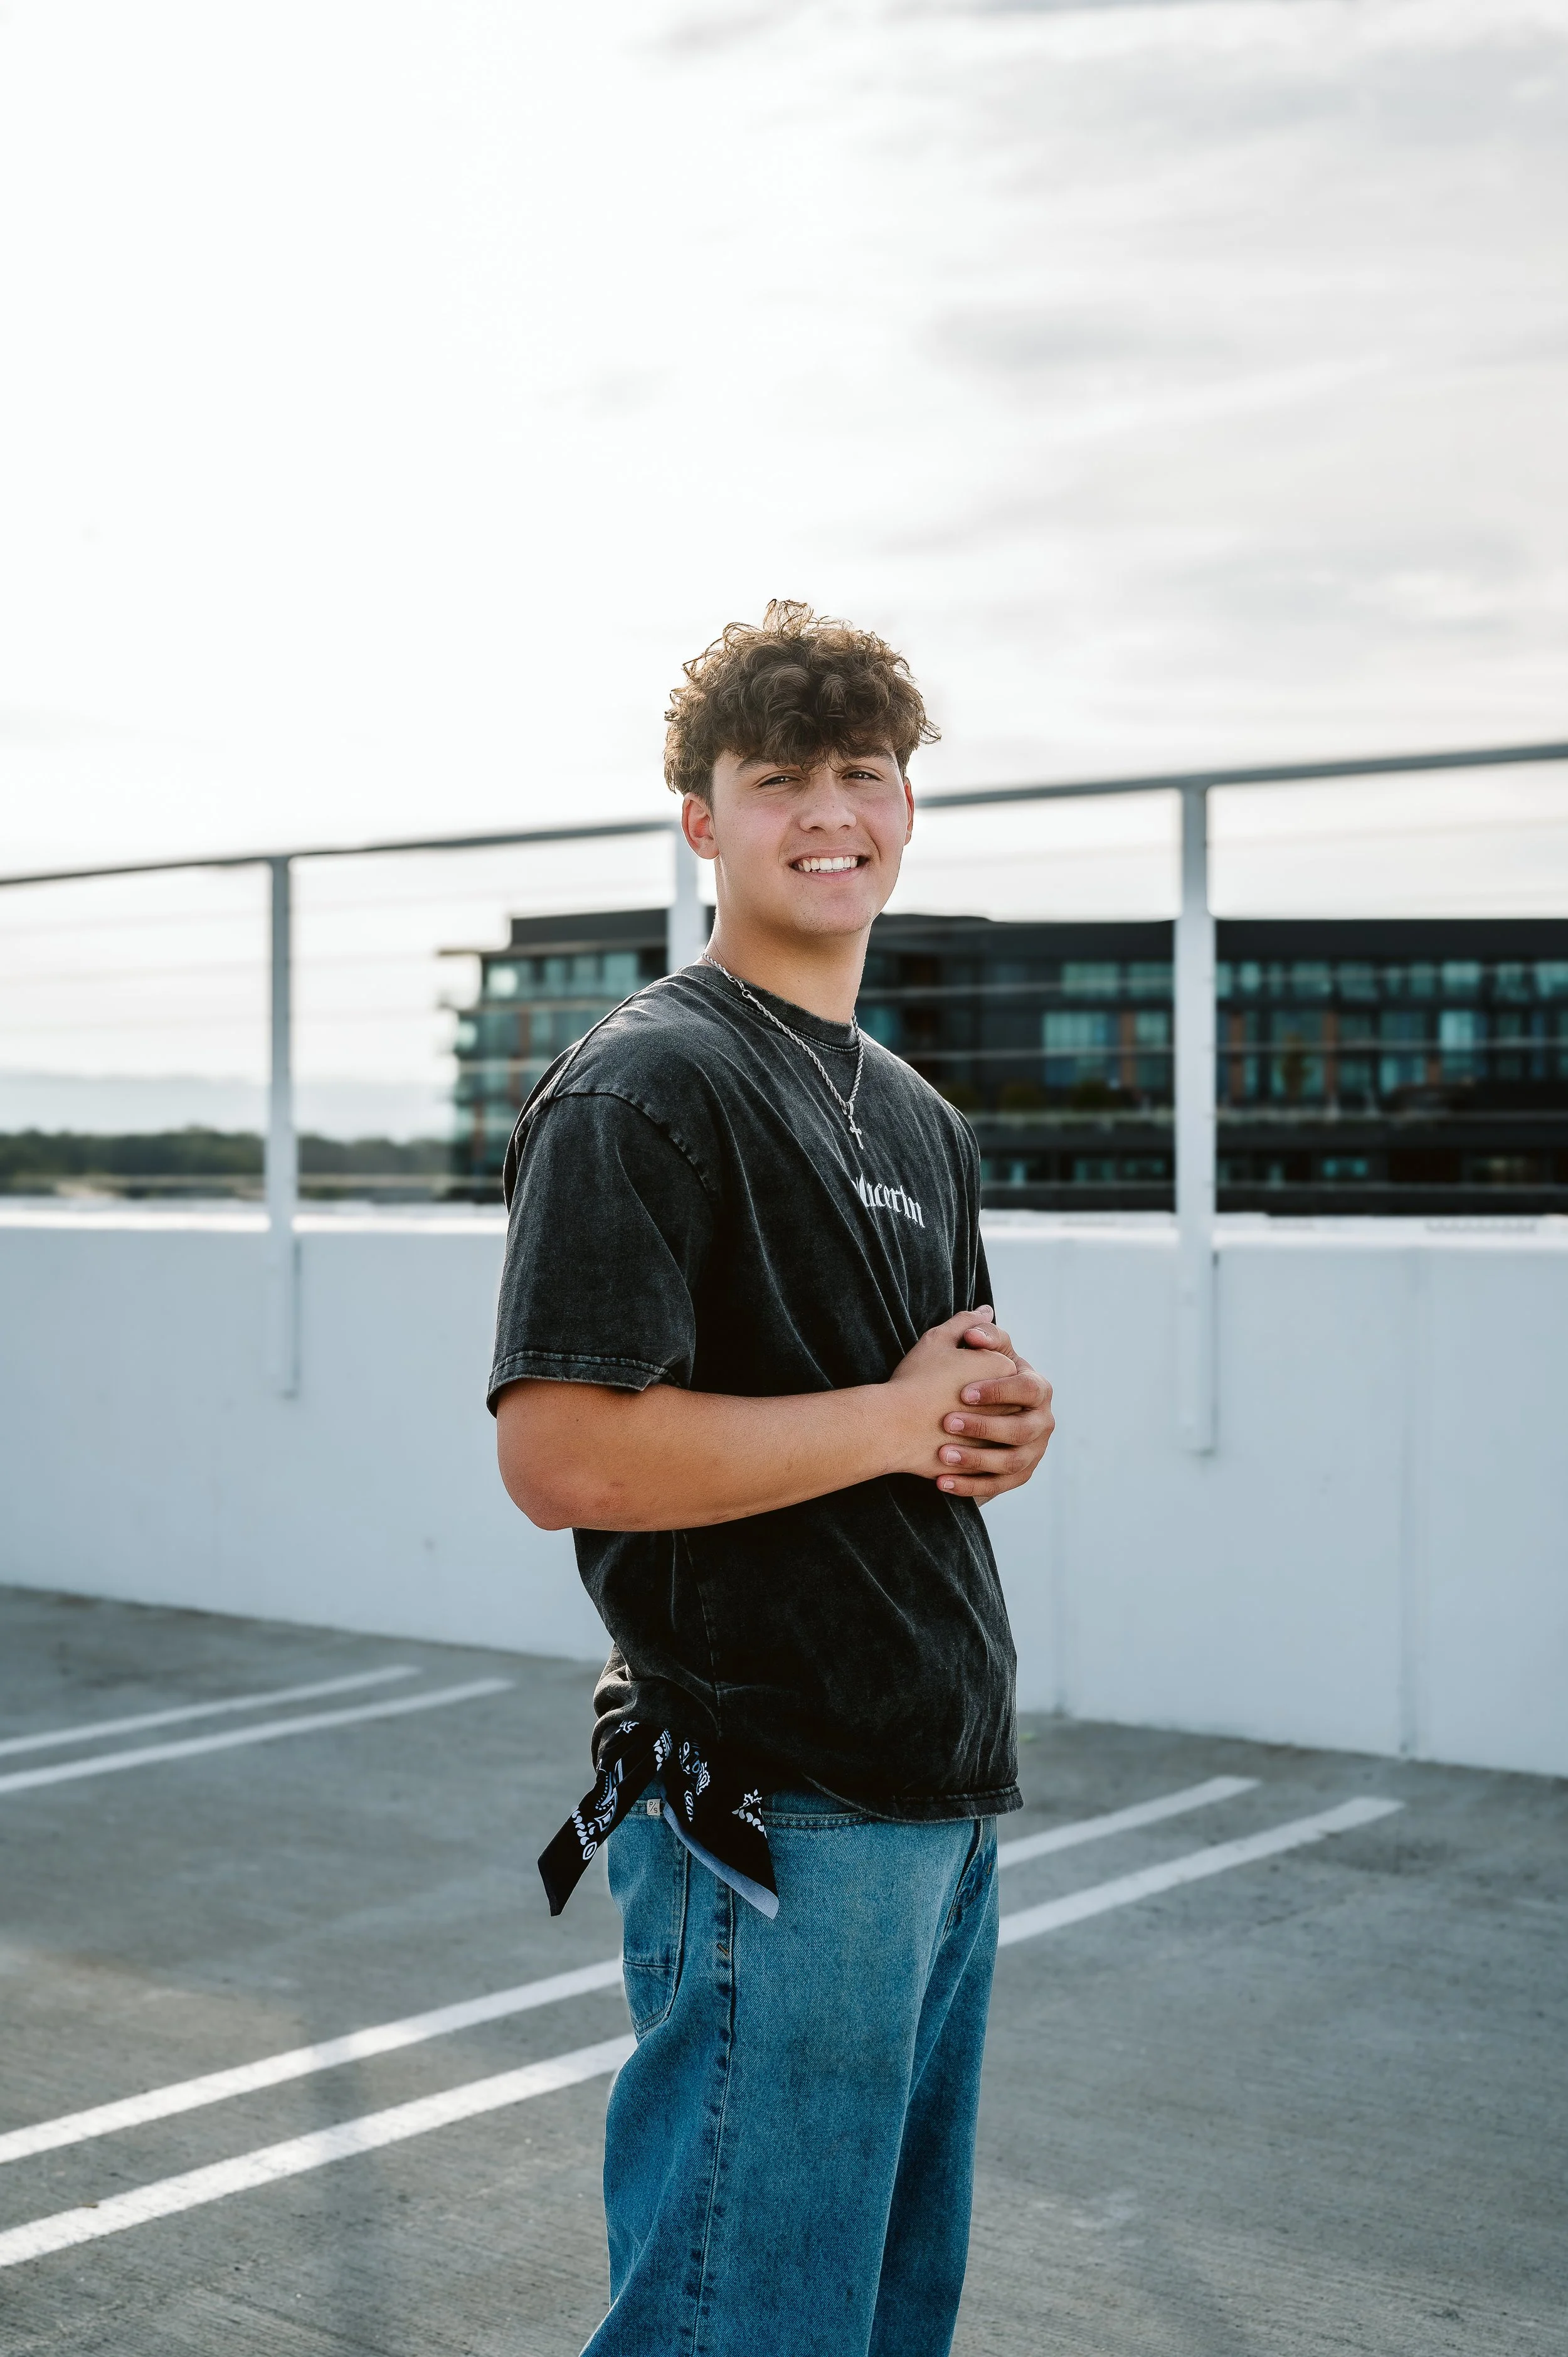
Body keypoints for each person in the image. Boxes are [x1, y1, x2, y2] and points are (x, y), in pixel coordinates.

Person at [488, 600, 1054, 2357]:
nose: (832, 811)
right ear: (702, 818)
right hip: (771, 1804)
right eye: (780, 777)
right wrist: (887, 1421)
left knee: (871, 2321)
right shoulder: (650, 1083)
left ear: (905, 806)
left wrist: (987, 1430)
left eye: (864, 773)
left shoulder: (911, 1113)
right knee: (741, 2323)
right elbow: (559, 1448)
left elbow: (914, 1400)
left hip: (928, 1797)